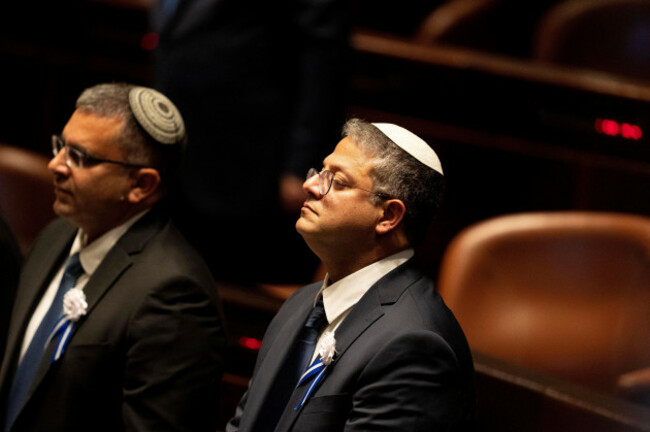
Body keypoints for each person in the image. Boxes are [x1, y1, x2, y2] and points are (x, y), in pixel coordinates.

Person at [0, 83, 226, 432]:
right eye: (60, 146)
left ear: (141, 185)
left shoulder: (175, 294)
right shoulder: (56, 235)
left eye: (80, 157)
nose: (55, 165)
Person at [226, 119, 475, 432]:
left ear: (388, 215)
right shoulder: (301, 304)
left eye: (337, 181)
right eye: (320, 172)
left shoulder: (414, 344)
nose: (311, 185)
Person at [150, 0, 352, 283]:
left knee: (237, 285)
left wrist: (300, 164)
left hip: (251, 158)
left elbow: (323, 58)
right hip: (181, 146)